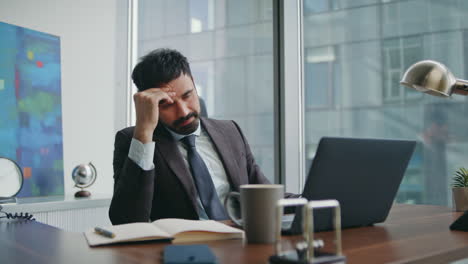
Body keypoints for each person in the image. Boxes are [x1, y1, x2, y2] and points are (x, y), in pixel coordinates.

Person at [109, 48, 297, 225]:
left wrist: (315, 202)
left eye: (188, 95)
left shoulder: (230, 131)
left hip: (240, 240)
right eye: (167, 105)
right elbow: (126, 219)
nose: (183, 111)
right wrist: (144, 130)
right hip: (185, 250)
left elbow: (264, 194)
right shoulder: (134, 140)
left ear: (194, 85)